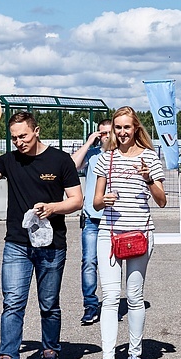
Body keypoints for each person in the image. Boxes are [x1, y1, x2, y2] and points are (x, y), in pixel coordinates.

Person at [0, 111, 83, 359]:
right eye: (14, 138)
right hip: (17, 244)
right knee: (13, 303)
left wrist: (53, 208)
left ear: (36, 131)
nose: (19, 142)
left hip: (51, 245)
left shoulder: (60, 160)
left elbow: (77, 200)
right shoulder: (9, 161)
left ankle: (50, 353)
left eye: (23, 136)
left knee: (49, 304)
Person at [89, 106, 167, 359]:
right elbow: (96, 202)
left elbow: (162, 200)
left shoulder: (150, 157)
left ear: (136, 129)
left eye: (127, 127)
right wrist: (104, 200)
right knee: (110, 297)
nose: (122, 132)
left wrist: (148, 178)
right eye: (118, 127)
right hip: (109, 234)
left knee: (134, 296)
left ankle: (135, 355)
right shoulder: (105, 158)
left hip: (140, 234)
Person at [71, 118, 113, 325]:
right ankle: (90, 305)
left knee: (114, 263)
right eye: (102, 133)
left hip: (114, 218)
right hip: (92, 219)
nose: (106, 136)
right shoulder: (93, 154)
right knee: (89, 261)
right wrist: (89, 142)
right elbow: (71, 166)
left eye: (109, 132)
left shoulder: (120, 155)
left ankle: (112, 303)